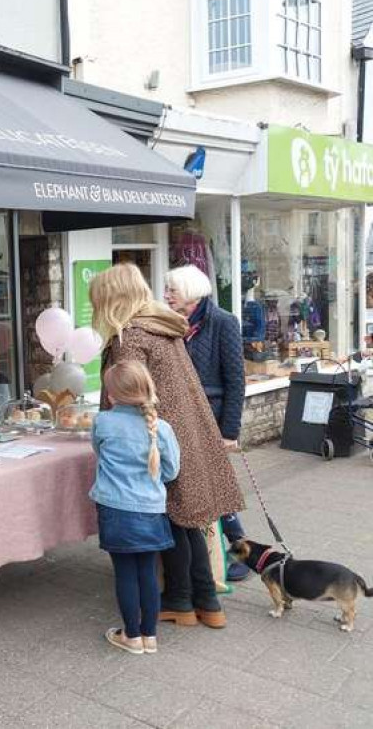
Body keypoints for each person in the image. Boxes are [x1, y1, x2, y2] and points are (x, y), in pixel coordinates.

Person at [91, 264, 244, 629]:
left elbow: (127, 393)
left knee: (174, 522)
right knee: (187, 522)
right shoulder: (163, 326)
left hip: (157, 438)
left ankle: (179, 600)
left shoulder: (131, 335)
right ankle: (207, 603)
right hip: (185, 432)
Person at [164, 265, 251, 582]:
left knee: (216, 484)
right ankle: (200, 554)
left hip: (211, 419)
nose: (166, 295)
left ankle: (240, 549)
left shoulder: (222, 322)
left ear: (189, 292)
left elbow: (235, 380)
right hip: (179, 419)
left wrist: (230, 432)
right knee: (197, 486)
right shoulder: (171, 324)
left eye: (172, 290)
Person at [92, 361, 180, 654]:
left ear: (112, 394)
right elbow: (171, 472)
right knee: (147, 573)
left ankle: (131, 636)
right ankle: (150, 637)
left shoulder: (102, 422)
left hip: (115, 510)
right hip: (151, 510)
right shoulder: (162, 428)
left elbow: (99, 454)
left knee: (125, 574)